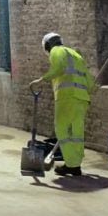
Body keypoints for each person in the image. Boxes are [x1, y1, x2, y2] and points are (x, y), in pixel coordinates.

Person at [29, 32, 94, 176]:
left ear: (47, 45)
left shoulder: (56, 51)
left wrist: (42, 79)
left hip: (67, 97)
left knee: (62, 130)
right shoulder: (75, 54)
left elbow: (59, 68)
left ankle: (71, 165)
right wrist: (87, 92)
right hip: (82, 98)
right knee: (76, 132)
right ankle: (75, 165)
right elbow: (90, 81)